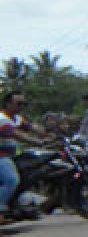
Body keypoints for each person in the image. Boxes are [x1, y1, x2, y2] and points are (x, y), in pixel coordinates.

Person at [1, 91, 43, 222]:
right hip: (1, 155)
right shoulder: (2, 118)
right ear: (8, 104)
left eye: (24, 104)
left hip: (12, 154)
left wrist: (50, 134)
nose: (22, 107)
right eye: (19, 104)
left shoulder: (17, 118)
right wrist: (38, 142)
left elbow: (31, 128)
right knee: (12, 180)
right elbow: (16, 134)